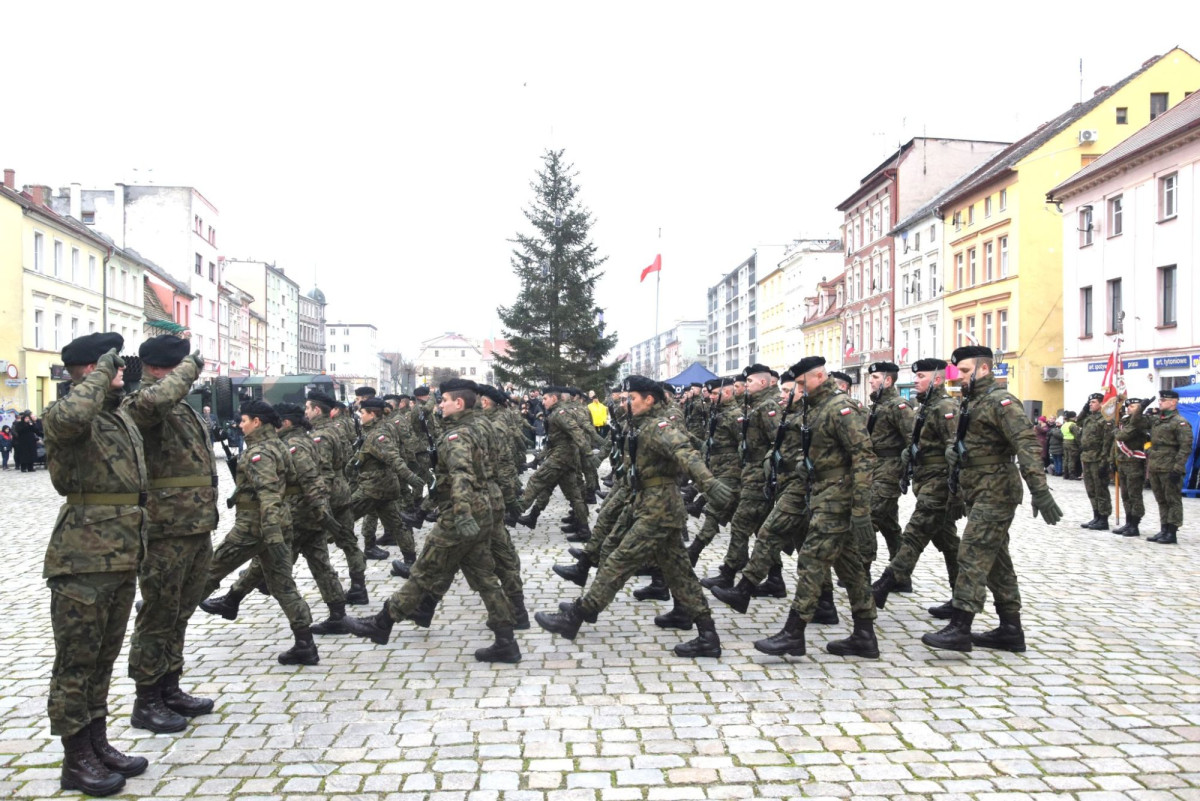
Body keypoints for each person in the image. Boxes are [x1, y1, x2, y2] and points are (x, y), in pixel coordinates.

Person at [534, 375, 735, 658]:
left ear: (649, 400)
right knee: (679, 573)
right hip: (653, 506)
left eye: (633, 399)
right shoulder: (641, 424)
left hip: (659, 510)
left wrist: (709, 484)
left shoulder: (658, 427)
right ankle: (706, 634)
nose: (627, 403)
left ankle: (578, 615)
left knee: (620, 560)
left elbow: (686, 453)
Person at [344, 379, 522, 663]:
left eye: (444, 401)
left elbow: (462, 475)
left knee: (424, 570)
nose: (440, 405)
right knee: (484, 577)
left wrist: (462, 514)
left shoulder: (458, 435)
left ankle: (382, 622)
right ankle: (506, 641)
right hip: (484, 509)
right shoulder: (482, 425)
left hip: (460, 514)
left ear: (459, 403)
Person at [43, 332, 149, 796]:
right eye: (112, 366)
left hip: (123, 554)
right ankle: (75, 758)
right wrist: (101, 370)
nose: (121, 374)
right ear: (90, 370)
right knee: (77, 662)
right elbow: (71, 414)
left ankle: (97, 741)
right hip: (82, 559)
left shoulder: (116, 417)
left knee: (103, 659)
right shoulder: (67, 416)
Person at [921, 346, 1063, 654]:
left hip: (996, 491)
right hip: (977, 490)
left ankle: (960, 627)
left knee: (970, 554)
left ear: (985, 370)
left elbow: (1025, 444)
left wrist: (1040, 490)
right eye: (958, 372)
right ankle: (1011, 630)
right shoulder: (971, 403)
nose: (959, 378)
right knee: (997, 562)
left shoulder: (1001, 402)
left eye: (966, 372)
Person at [750, 357, 881, 660]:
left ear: (819, 376)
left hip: (837, 496)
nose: (797, 389)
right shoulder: (815, 407)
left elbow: (864, 457)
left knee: (811, 558)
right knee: (850, 566)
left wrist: (860, 509)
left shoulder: (840, 408)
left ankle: (794, 634)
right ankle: (865, 635)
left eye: (800, 383)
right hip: (820, 492)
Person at [123, 335, 218, 735]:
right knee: (159, 612)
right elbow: (153, 403)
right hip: (165, 528)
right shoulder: (140, 402)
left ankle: (170, 686)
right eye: (181, 369)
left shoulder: (180, 408)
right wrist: (188, 369)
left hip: (194, 525)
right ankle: (146, 700)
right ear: (164, 368)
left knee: (181, 610)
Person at [198, 400, 319, 666]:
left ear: (257, 422)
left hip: (255, 527)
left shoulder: (260, 453)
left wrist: (272, 534)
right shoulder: (277, 445)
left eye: (244, 420)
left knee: (209, 570)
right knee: (283, 586)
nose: (240, 425)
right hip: (274, 525)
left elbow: (268, 495)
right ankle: (305, 644)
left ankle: (168, 615)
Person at [871, 359, 963, 616]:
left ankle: (886, 583)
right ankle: (959, 599)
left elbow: (954, 449)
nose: (916, 381)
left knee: (914, 534)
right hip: (926, 481)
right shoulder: (926, 407)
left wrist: (956, 494)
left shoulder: (946, 406)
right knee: (949, 543)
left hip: (939, 484)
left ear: (937, 380)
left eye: (921, 376)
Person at [701, 364, 779, 591]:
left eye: (749, 383)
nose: (744, 387)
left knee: (741, 523)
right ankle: (775, 579)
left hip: (758, 476)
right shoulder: (753, 406)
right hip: (749, 473)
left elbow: (777, 443)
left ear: (763, 383)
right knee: (761, 528)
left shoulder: (767, 407)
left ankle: (729, 574)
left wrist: (767, 471)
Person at [863, 361, 915, 579]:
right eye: (871, 378)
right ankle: (901, 576)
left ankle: (860, 569)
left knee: (867, 518)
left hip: (889, 471)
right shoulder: (875, 405)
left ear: (888, 380)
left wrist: (906, 471)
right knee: (889, 524)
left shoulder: (898, 406)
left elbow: (912, 438)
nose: (871, 382)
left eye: (875, 378)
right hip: (875, 469)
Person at [1132, 390, 1192, 544]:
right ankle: (1164, 528)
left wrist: (1178, 468)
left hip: (1170, 466)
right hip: (1155, 465)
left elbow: (1185, 448)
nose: (1160, 402)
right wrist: (1141, 408)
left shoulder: (1180, 422)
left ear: (1174, 402)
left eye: (1164, 400)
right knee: (1161, 500)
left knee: (1172, 500)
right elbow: (1136, 423)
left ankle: (1172, 532)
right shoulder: (1157, 419)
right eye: (1160, 400)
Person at [1077, 393, 1115, 531]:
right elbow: (1078, 420)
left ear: (1101, 404)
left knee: (1101, 489)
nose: (1091, 404)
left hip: (1098, 457)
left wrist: (1104, 461)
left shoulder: (1105, 420)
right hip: (1087, 456)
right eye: (1090, 402)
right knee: (1091, 489)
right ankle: (1096, 515)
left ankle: (1103, 518)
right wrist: (1085, 407)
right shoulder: (1089, 418)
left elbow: (1107, 442)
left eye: (1093, 402)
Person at [1061, 412, 1080, 479]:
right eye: (1075, 416)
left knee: (1066, 459)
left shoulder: (1064, 425)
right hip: (1072, 443)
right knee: (1072, 459)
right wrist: (1080, 444)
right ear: (1072, 417)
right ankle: (1072, 474)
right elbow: (1077, 435)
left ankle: (1065, 474)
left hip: (1065, 442)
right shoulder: (1073, 425)